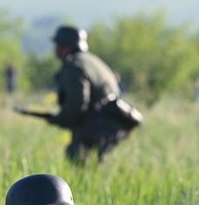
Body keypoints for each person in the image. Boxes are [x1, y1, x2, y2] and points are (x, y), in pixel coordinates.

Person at [48, 25, 138, 163]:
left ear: (66, 47)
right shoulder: (92, 61)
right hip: (111, 125)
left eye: (58, 45)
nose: (55, 49)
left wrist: (61, 119)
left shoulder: (74, 66)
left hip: (95, 127)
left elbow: (77, 103)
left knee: (78, 159)